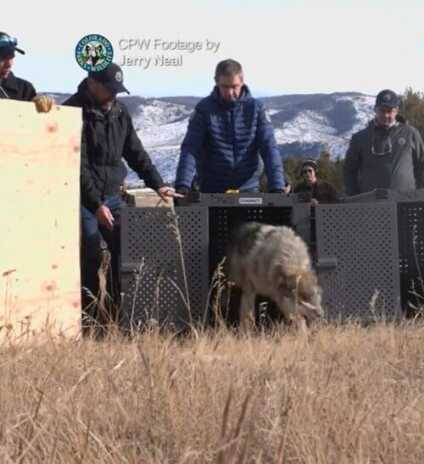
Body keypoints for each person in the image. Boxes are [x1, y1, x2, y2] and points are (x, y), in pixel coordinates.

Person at [63, 63, 181, 334]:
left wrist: (158, 184)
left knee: (125, 254)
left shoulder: (119, 112)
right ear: (92, 83)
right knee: (89, 256)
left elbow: (135, 151)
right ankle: (91, 323)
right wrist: (96, 205)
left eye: (117, 90)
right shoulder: (73, 112)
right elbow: (77, 166)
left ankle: (119, 316)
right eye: (109, 89)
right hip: (83, 198)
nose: (113, 95)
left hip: (114, 195)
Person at [175, 59, 285, 197]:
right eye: (225, 87)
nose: (230, 92)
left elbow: (269, 148)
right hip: (211, 188)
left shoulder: (256, 109)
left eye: (234, 86)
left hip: (248, 188)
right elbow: (190, 148)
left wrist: (277, 186)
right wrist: (182, 185)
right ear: (216, 82)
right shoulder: (203, 109)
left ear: (242, 82)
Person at [343, 89, 424, 196]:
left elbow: (422, 166)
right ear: (375, 110)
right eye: (382, 110)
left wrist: (423, 195)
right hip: (371, 204)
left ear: (396, 110)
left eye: (390, 111)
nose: (386, 115)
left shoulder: (410, 133)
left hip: (406, 200)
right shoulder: (360, 138)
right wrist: (355, 198)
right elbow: (349, 171)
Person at [0, 31, 54, 112]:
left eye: (11, 57)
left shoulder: (25, 89)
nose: (9, 64)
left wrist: (40, 103)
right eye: (2, 58)